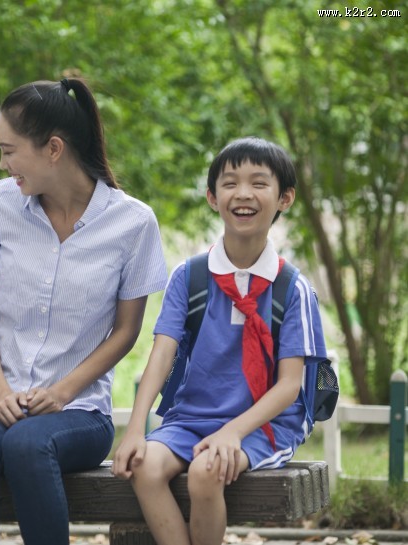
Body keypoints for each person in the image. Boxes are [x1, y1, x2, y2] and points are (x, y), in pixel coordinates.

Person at [0, 78, 168, 545]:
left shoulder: (132, 223)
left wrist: (63, 392)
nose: (2, 164)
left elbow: (126, 332)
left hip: (80, 410)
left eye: (9, 151)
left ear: (53, 149)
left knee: (28, 444)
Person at [112, 137, 329, 545]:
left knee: (205, 471)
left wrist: (233, 432)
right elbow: (161, 355)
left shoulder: (291, 288)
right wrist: (135, 428)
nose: (243, 193)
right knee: (145, 467)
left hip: (263, 425)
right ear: (213, 197)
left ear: (285, 198)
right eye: (230, 183)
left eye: (258, 183)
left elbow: (289, 386)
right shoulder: (190, 277)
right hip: (192, 418)